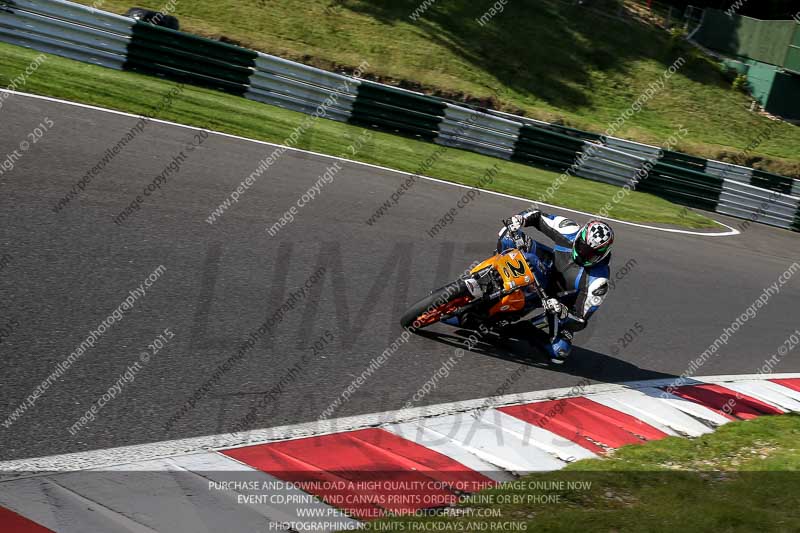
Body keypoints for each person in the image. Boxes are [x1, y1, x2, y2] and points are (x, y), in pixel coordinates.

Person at [499, 209, 614, 364]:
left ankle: (524, 329)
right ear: (579, 237)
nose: (582, 254)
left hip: (555, 302)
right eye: (581, 247)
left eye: (590, 253)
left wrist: (562, 311)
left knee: (559, 352)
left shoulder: (599, 281)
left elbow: (580, 320)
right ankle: (493, 277)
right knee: (507, 236)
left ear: (602, 254)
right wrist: (520, 219)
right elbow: (537, 216)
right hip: (545, 265)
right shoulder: (569, 230)